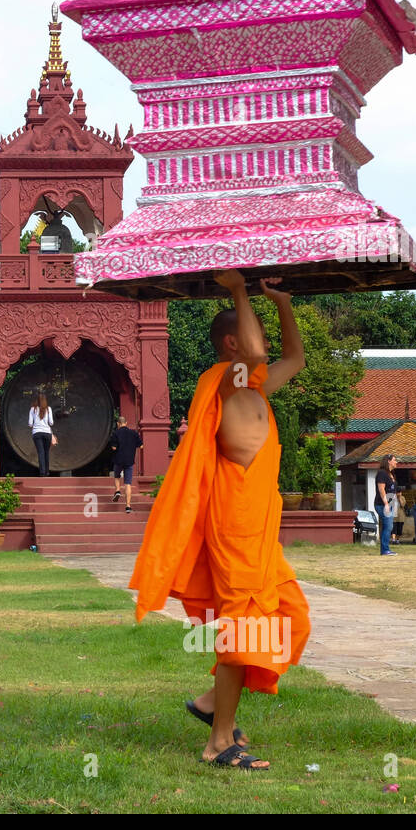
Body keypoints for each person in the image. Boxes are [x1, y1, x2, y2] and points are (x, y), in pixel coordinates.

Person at [129, 270, 310, 771]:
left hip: (259, 526)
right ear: (232, 341)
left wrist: (283, 304)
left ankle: (212, 702)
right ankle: (219, 741)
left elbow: (293, 358)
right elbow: (254, 355)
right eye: (255, 335)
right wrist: (237, 290)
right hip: (235, 520)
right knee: (246, 628)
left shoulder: (255, 386)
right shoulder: (227, 379)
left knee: (289, 617)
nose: (265, 347)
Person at [109, 413, 144, 513]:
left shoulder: (116, 433)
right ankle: (128, 506)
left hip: (118, 460)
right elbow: (141, 446)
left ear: (118, 423)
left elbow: (114, 448)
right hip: (129, 461)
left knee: (117, 476)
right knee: (128, 483)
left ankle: (117, 491)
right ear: (126, 423)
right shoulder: (133, 433)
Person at [28, 392, 57, 477]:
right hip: (47, 433)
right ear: (45, 401)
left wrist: (36, 425)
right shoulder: (49, 409)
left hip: (37, 433)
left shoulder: (32, 409)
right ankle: (47, 472)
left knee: (40, 452)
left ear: (36, 400)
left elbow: (30, 423)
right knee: (46, 452)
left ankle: (42, 473)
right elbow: (51, 423)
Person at [375, 454, 398, 556]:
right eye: (394, 460)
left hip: (391, 502)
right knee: (388, 526)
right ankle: (385, 550)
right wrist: (386, 504)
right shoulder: (382, 473)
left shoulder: (391, 474)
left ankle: (385, 549)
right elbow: (381, 490)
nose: (396, 462)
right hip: (382, 503)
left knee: (389, 526)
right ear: (388, 461)